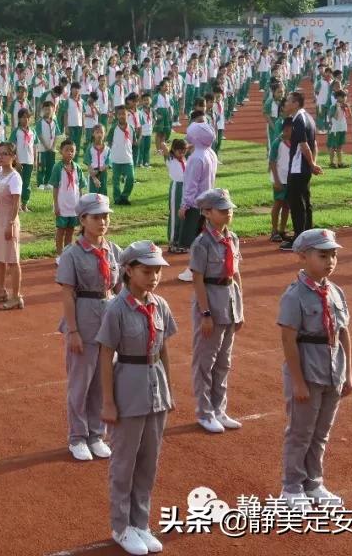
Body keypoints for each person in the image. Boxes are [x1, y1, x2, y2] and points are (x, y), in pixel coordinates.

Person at [97, 240, 177, 556]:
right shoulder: (116, 308)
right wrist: (108, 402)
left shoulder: (161, 305)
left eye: (157, 271)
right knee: (124, 463)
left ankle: (140, 522)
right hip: (128, 385)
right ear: (128, 270)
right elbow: (105, 355)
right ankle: (121, 526)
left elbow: (164, 350)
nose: (154, 276)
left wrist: (168, 388)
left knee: (148, 460)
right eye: (147, 270)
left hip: (155, 387)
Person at [277, 228, 352, 511]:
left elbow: (343, 333)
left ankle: (314, 483)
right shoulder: (294, 295)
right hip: (308, 372)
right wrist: (297, 381)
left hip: (333, 370)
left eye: (333, 254)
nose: (330, 261)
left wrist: (349, 374)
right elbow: (288, 339)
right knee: (301, 432)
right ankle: (292, 486)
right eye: (323, 255)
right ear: (302, 257)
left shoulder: (336, 292)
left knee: (321, 432)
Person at [57, 193, 120, 462]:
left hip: (108, 320)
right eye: (96, 217)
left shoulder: (113, 250)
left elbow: (119, 288)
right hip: (83, 318)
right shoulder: (72, 254)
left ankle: (96, 434)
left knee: (102, 382)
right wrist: (72, 331)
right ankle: (78, 436)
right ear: (82, 220)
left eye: (105, 216)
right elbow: (68, 294)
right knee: (80, 384)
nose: (102, 222)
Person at [188, 188, 244, 435]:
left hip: (229, 302)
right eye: (222, 210)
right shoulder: (202, 243)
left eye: (229, 209)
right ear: (207, 213)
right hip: (211, 301)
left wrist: (239, 309)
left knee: (224, 361)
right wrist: (205, 314)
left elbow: (235, 274)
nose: (228, 213)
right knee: (205, 362)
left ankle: (219, 409)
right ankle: (205, 412)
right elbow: (198, 280)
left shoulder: (232, 239)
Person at [281, 92, 323, 252]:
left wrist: (311, 164)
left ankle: (299, 239)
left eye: (289, 101)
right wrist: (312, 164)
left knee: (296, 203)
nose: (285, 104)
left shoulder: (298, 119)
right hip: (303, 167)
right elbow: (315, 144)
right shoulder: (308, 117)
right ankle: (308, 235)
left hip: (298, 168)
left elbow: (305, 145)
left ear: (296, 103)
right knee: (305, 201)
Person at [177, 122, 218, 282]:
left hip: (195, 205)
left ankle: (194, 269)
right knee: (203, 237)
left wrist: (184, 205)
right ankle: (203, 267)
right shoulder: (211, 153)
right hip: (207, 202)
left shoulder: (196, 158)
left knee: (194, 240)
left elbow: (191, 185)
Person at [0, 142, 24, 310]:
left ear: (13, 157)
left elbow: (16, 203)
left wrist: (10, 224)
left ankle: (16, 296)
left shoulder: (14, 177)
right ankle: (1, 290)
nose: (1, 157)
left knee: (13, 261)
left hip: (9, 222)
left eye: (5, 154)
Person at [50, 139, 86, 261]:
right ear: (61, 151)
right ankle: (59, 254)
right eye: (67, 150)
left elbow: (80, 187)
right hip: (62, 205)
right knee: (61, 230)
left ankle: (67, 253)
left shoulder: (77, 168)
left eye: (72, 150)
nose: (69, 153)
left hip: (74, 205)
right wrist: (56, 205)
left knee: (70, 230)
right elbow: (55, 187)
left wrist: (81, 204)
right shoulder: (57, 167)